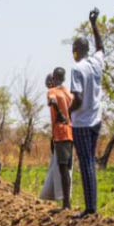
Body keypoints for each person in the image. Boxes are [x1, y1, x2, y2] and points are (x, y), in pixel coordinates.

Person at [69, 7, 105, 217]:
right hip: (96, 119)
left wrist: (67, 111)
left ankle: (90, 208)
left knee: (86, 163)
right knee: (90, 161)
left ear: (76, 50)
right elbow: (101, 47)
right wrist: (94, 25)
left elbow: (78, 98)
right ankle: (91, 205)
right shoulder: (96, 62)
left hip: (82, 123)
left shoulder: (78, 68)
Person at [42, 68, 74, 210]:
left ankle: (66, 204)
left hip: (61, 133)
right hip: (70, 132)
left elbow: (52, 101)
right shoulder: (68, 93)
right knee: (66, 168)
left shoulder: (52, 91)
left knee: (62, 169)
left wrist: (60, 115)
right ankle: (66, 201)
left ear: (54, 78)